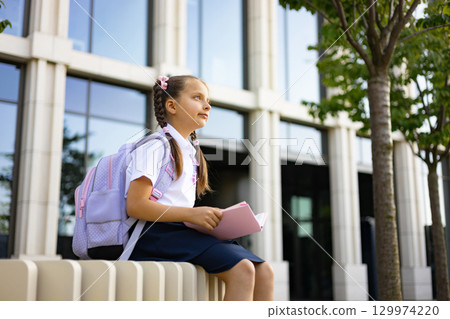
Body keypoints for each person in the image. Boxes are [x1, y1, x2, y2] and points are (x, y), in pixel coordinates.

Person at [125, 75, 274, 301]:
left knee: (265, 272)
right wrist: (192, 214)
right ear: (171, 105)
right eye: (197, 97)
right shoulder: (155, 147)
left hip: (180, 233)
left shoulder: (189, 151)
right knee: (243, 269)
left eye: (208, 100)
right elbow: (135, 206)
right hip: (153, 235)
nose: (207, 105)